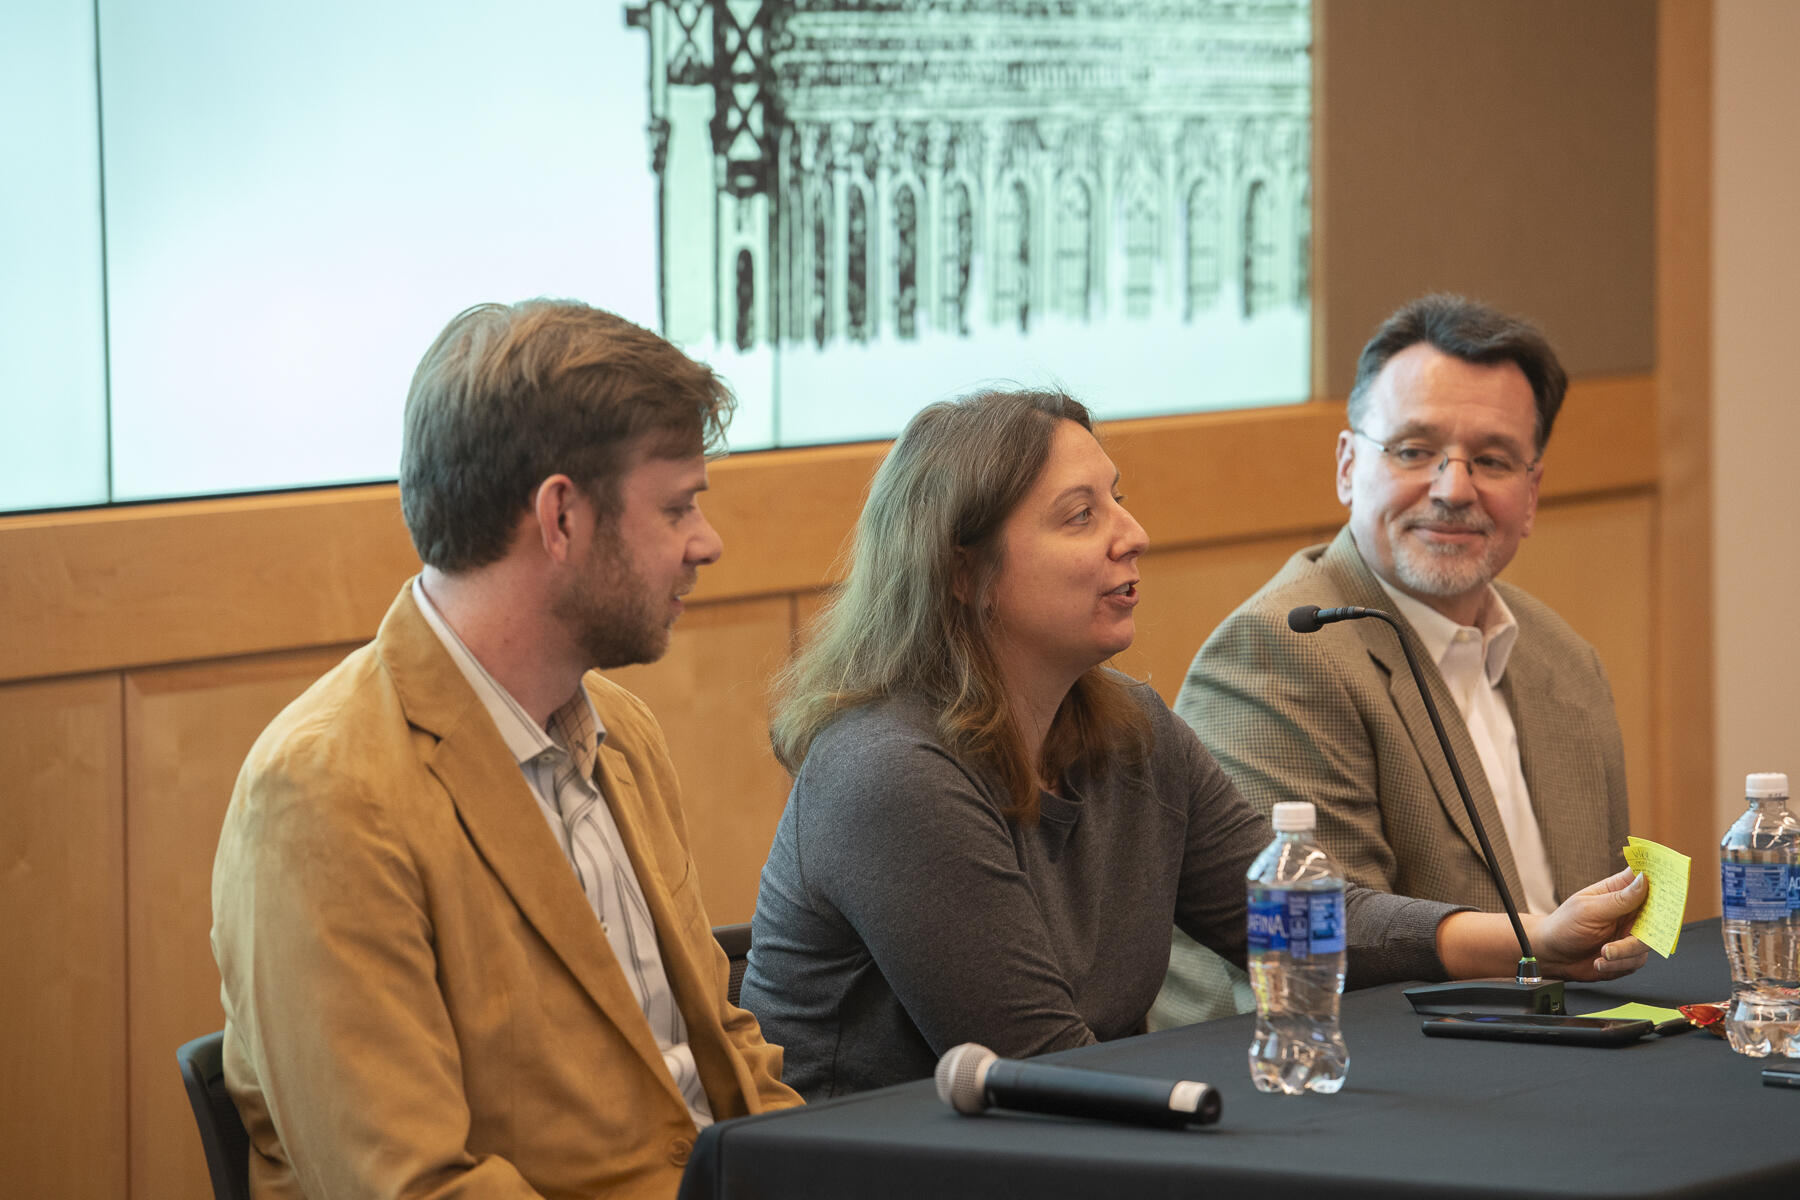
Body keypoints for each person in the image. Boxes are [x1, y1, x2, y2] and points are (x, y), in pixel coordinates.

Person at [738, 387, 1647, 1101]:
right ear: (964, 571)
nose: (1133, 537)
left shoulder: (1130, 729)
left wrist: (1533, 939)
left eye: (1119, 502)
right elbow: (1040, 1066)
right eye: (1080, 515)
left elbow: (1297, 916)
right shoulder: (888, 771)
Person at [211, 299, 799, 1199]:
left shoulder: (620, 734)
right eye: (677, 507)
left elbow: (726, 1056)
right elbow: (412, 1187)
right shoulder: (324, 792)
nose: (706, 543)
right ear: (560, 517)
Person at [1156, 294, 1632, 1027]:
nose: (1452, 489)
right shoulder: (1281, 652)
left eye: (1493, 461)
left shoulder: (1565, 659)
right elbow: (1325, 961)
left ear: (1531, 495)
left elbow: (1596, 946)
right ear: (1349, 466)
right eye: (1413, 451)